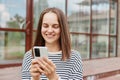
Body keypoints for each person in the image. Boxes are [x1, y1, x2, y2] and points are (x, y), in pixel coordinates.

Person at [22, 7, 83, 80]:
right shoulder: (29, 57)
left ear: (62, 29)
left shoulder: (74, 58)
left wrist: (54, 78)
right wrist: (35, 78)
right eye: (45, 26)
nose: (50, 30)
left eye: (55, 26)